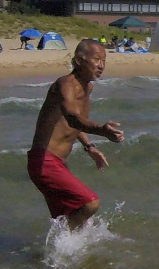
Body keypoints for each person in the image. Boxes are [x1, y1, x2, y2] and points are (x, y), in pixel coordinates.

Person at [27, 40, 124, 230]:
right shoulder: (65, 84)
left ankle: (55, 254)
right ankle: (64, 241)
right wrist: (102, 131)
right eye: (96, 60)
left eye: (104, 60)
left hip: (58, 163)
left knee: (67, 217)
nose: (101, 66)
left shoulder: (87, 88)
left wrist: (90, 147)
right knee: (90, 203)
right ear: (79, 60)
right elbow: (72, 118)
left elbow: (75, 124)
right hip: (44, 161)